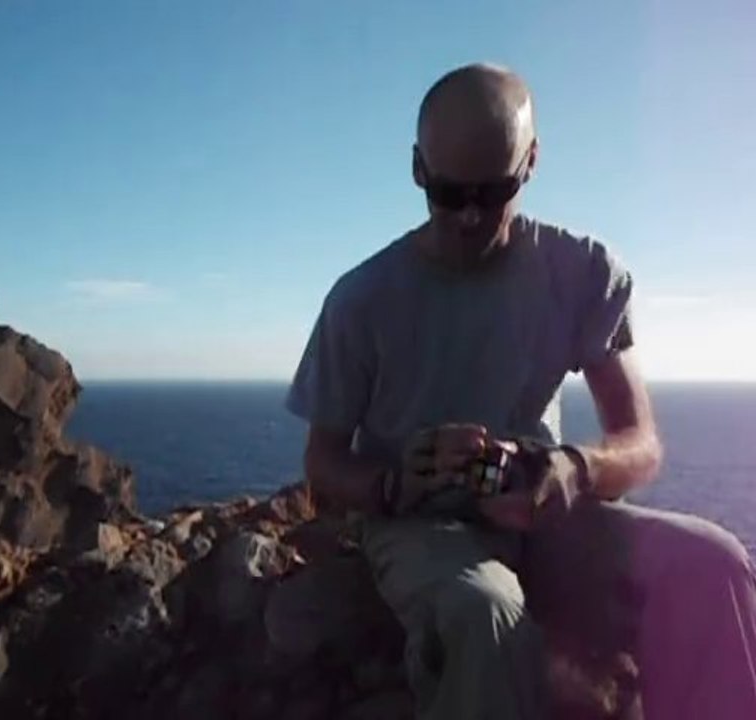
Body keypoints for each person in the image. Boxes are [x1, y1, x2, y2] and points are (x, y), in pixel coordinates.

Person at [284, 62, 756, 720]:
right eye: (449, 193)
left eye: (494, 189)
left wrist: (572, 467)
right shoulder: (362, 301)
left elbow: (641, 444)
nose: (471, 215)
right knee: (485, 612)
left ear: (531, 162)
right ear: (418, 169)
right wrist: (396, 485)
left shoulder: (584, 272)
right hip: (422, 527)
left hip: (545, 517)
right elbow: (324, 461)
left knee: (716, 565)